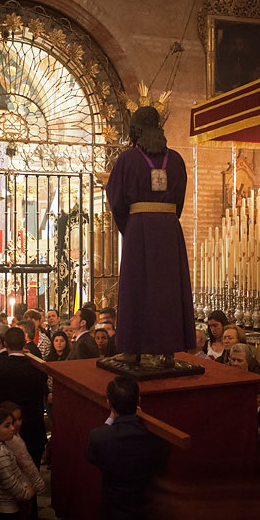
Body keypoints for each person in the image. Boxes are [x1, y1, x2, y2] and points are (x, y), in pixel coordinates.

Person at [106, 105, 195, 366]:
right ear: (159, 129)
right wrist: (165, 220)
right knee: (169, 288)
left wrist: (132, 227)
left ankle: (132, 350)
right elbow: (180, 200)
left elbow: (115, 200)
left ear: (135, 130)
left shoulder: (127, 160)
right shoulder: (176, 160)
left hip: (138, 228)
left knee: (136, 287)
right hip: (169, 229)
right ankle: (168, 352)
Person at [87, 375, 168, 520]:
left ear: (109, 403)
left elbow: (92, 456)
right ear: (138, 400)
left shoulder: (100, 438)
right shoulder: (159, 439)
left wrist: (110, 419)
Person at [0, 328, 48, 468]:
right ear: (25, 343)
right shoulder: (38, 369)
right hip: (34, 429)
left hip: (6, 430)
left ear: (5, 344)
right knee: (33, 470)